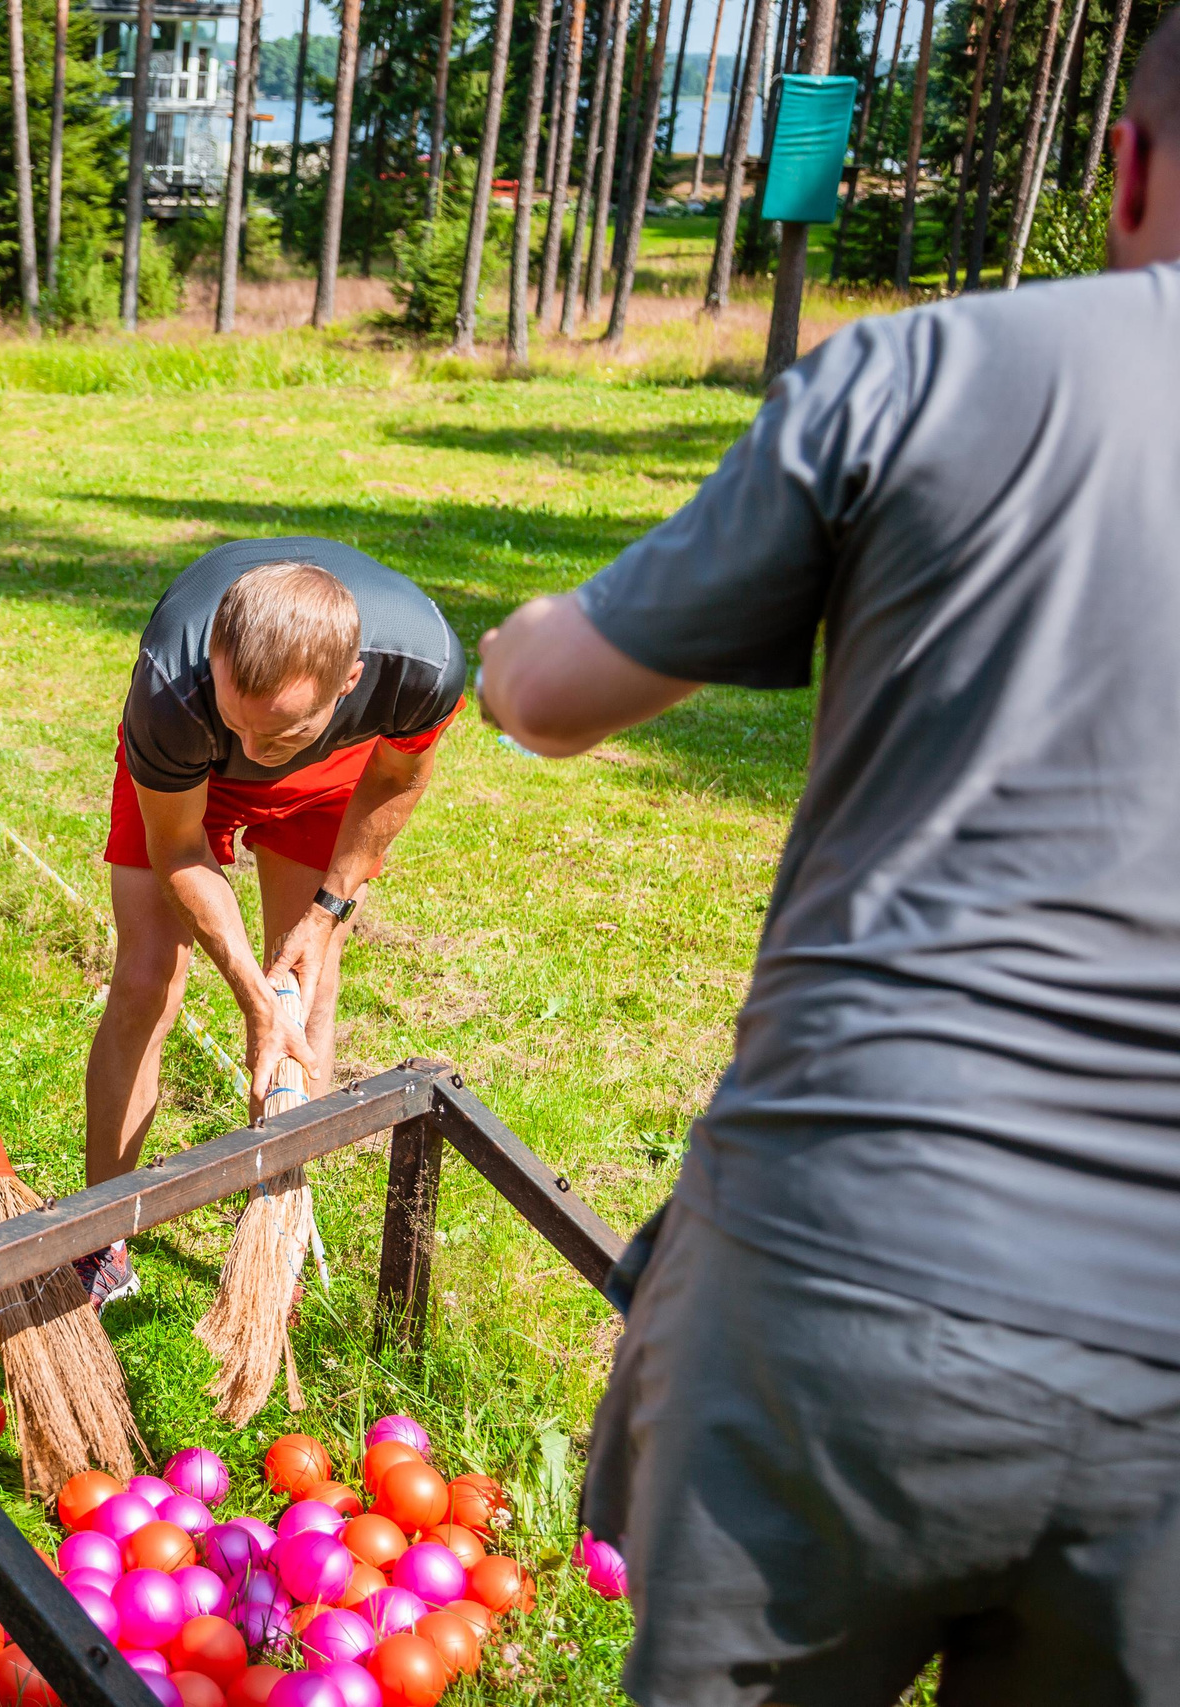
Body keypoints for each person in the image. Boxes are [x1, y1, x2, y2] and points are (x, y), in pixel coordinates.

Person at [475, 24, 1180, 1698]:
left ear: (1130, 163)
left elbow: (558, 695)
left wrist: (511, 649)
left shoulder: (938, 370)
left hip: (851, 1262)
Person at [79, 541, 462, 1305]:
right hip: (190, 775)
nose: (254, 752)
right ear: (215, 662)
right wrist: (249, 990)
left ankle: (276, 1228)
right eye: (241, 722)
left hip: (332, 771)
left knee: (308, 985)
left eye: (277, 734)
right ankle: (96, 1236)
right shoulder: (172, 687)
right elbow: (178, 848)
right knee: (149, 977)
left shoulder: (421, 665)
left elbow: (397, 776)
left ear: (350, 681)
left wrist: (327, 912)